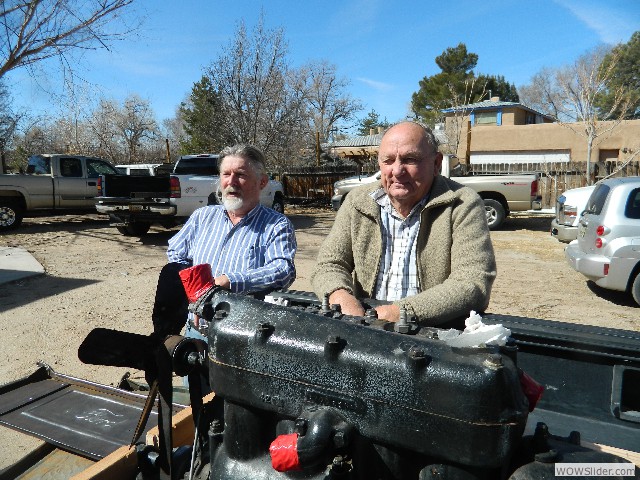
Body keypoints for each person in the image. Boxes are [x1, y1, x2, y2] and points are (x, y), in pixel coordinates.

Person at [311, 121, 496, 328]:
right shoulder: (357, 202)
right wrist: (341, 299)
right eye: (388, 160)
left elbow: (472, 283)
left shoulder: (461, 203)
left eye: (410, 159)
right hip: (365, 328)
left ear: (436, 164)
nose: (397, 171)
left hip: (432, 334)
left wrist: (398, 313)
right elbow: (329, 264)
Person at [166, 143, 297, 342]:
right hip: (197, 331)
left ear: (261, 182)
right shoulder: (202, 217)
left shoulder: (276, 224)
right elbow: (176, 253)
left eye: (241, 175)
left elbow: (283, 270)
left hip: (245, 335)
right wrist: (194, 285)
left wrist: (231, 281)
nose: (231, 182)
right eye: (226, 174)